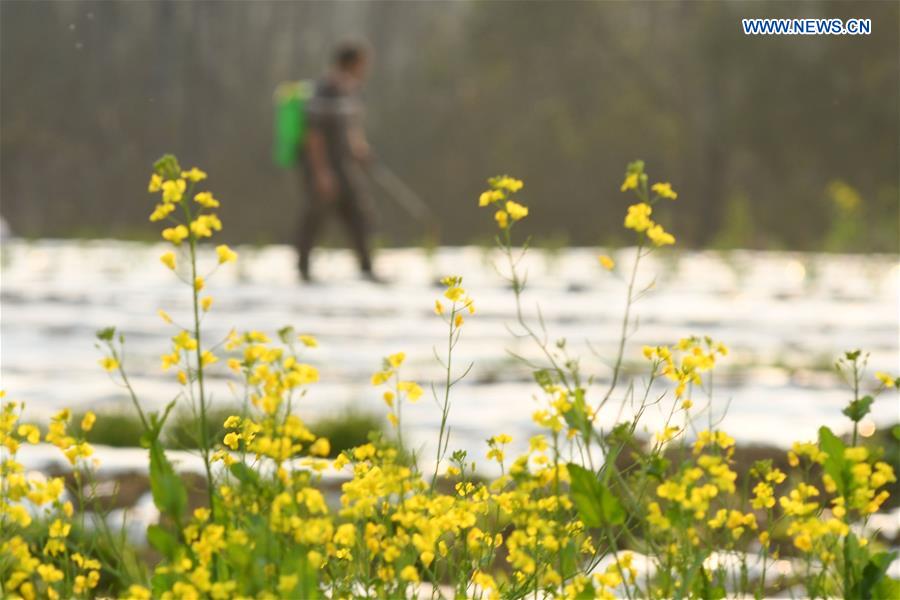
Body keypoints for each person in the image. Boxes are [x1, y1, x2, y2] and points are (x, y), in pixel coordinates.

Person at [296, 40, 380, 283]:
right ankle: (303, 269)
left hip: (344, 164)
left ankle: (367, 268)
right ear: (351, 63)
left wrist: (360, 149)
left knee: (359, 213)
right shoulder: (324, 90)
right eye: (363, 64)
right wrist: (322, 173)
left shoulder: (350, 89)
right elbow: (313, 134)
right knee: (316, 214)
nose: (366, 70)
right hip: (321, 164)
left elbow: (350, 126)